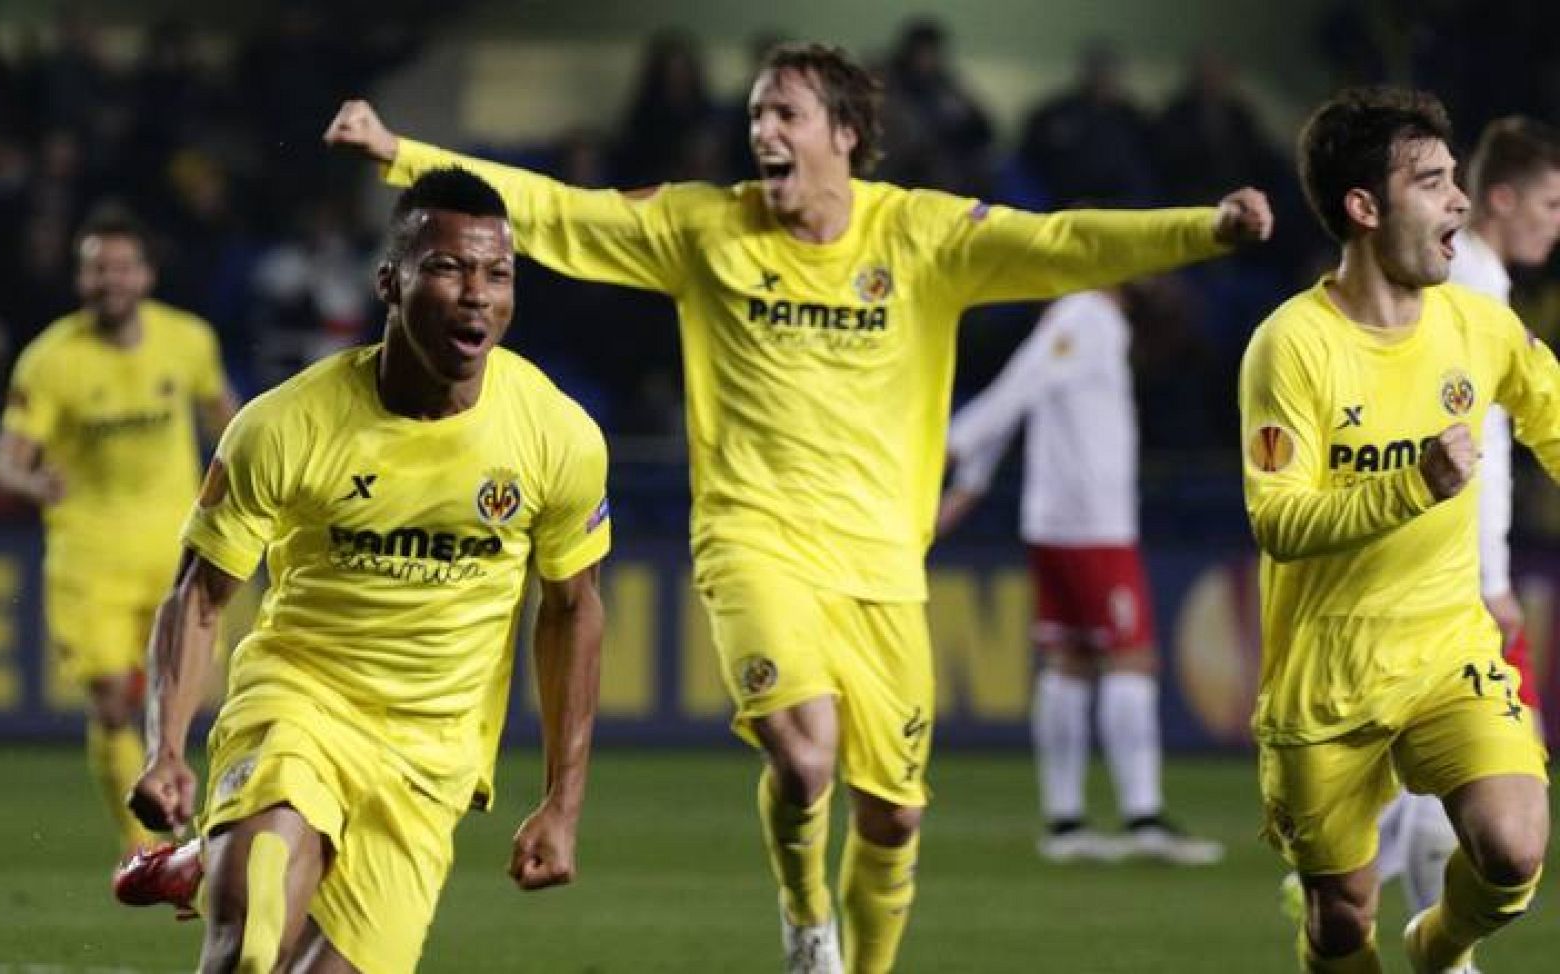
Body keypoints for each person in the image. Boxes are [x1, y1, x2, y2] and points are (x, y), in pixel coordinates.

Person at [324, 41, 1271, 974]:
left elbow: (1065, 240)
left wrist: (1203, 230)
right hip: (754, 543)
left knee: (895, 814)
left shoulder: (919, 237)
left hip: (884, 572)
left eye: (786, 114)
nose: (762, 131)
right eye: (755, 116)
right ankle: (806, 917)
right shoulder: (708, 227)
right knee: (805, 756)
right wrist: (401, 155)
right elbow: (560, 213)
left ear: (846, 135)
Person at [124, 167, 612, 971]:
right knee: (252, 938)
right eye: (449, 268)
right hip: (301, 700)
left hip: (432, 756)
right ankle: (229, 853)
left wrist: (564, 803)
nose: (476, 295)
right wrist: (166, 746)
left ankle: (207, 858)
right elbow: (200, 597)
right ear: (390, 280)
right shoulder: (283, 425)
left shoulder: (558, 436)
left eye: (497, 274)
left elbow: (572, 611)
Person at [1240, 87, 1558, 974]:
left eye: (1457, 178)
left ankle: (1439, 947)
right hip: (1326, 675)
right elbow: (1279, 520)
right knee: (1340, 921)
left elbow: (1556, 424)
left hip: (1447, 650)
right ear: (1364, 207)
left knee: (1513, 848)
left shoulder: (1479, 323)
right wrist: (1414, 486)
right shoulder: (1291, 346)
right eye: (1431, 181)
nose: (1459, 198)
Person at [936, 285, 1223, 866]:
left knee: (1069, 663)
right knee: (1130, 660)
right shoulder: (1086, 315)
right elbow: (1015, 392)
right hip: (1093, 524)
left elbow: (1025, 393)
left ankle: (1065, 822)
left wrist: (967, 487)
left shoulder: (1067, 323)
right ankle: (1143, 816)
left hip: (1056, 521)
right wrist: (951, 448)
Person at [0, 205, 236, 857]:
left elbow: (232, 425)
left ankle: (203, 825)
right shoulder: (49, 360)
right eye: (98, 268)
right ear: (81, 279)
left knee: (182, 704)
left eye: (124, 266)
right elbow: (8, 460)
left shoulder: (188, 341)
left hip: (177, 552)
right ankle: (143, 846)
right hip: (89, 556)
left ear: (148, 275)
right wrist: (30, 483)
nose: (112, 280)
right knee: (109, 699)